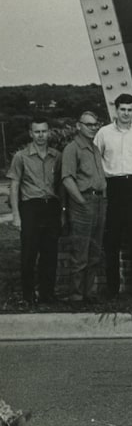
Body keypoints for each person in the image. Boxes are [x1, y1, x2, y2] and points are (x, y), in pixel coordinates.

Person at [94, 93, 132, 299]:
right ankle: (112, 289)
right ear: (116, 110)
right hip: (113, 187)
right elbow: (95, 159)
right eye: (123, 110)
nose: (126, 114)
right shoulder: (103, 133)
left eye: (130, 110)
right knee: (112, 241)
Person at [6, 117, 62, 305]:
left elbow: (61, 185)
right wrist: (16, 215)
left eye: (44, 131)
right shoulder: (21, 157)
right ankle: (28, 295)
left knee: (50, 253)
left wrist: (62, 211)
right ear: (31, 133)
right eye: (37, 132)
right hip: (31, 206)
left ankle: (47, 294)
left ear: (49, 132)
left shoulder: (56, 156)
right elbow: (14, 186)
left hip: (51, 206)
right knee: (29, 253)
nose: (41, 135)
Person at [61, 111, 107, 303]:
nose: (93, 128)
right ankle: (76, 296)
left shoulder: (94, 148)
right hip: (83, 203)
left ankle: (89, 293)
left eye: (95, 124)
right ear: (78, 126)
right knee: (80, 252)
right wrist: (80, 201)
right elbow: (67, 178)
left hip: (99, 202)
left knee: (94, 251)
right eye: (88, 124)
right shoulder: (73, 148)